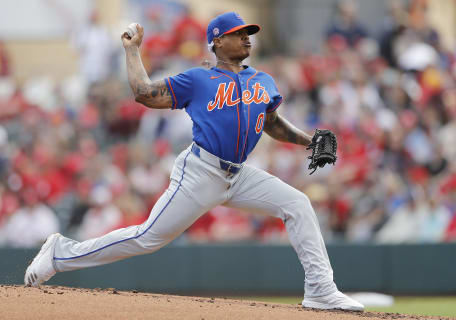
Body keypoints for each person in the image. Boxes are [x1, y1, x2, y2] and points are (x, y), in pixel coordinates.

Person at [24, 12, 364, 311]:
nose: (247, 37)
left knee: (299, 204)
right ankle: (60, 253)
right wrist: (132, 50)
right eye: (238, 33)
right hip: (201, 171)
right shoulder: (198, 79)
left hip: (240, 174)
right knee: (147, 238)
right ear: (216, 41)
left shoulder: (263, 80)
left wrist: (308, 140)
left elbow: (271, 122)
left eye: (249, 33)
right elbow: (144, 92)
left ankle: (321, 290)